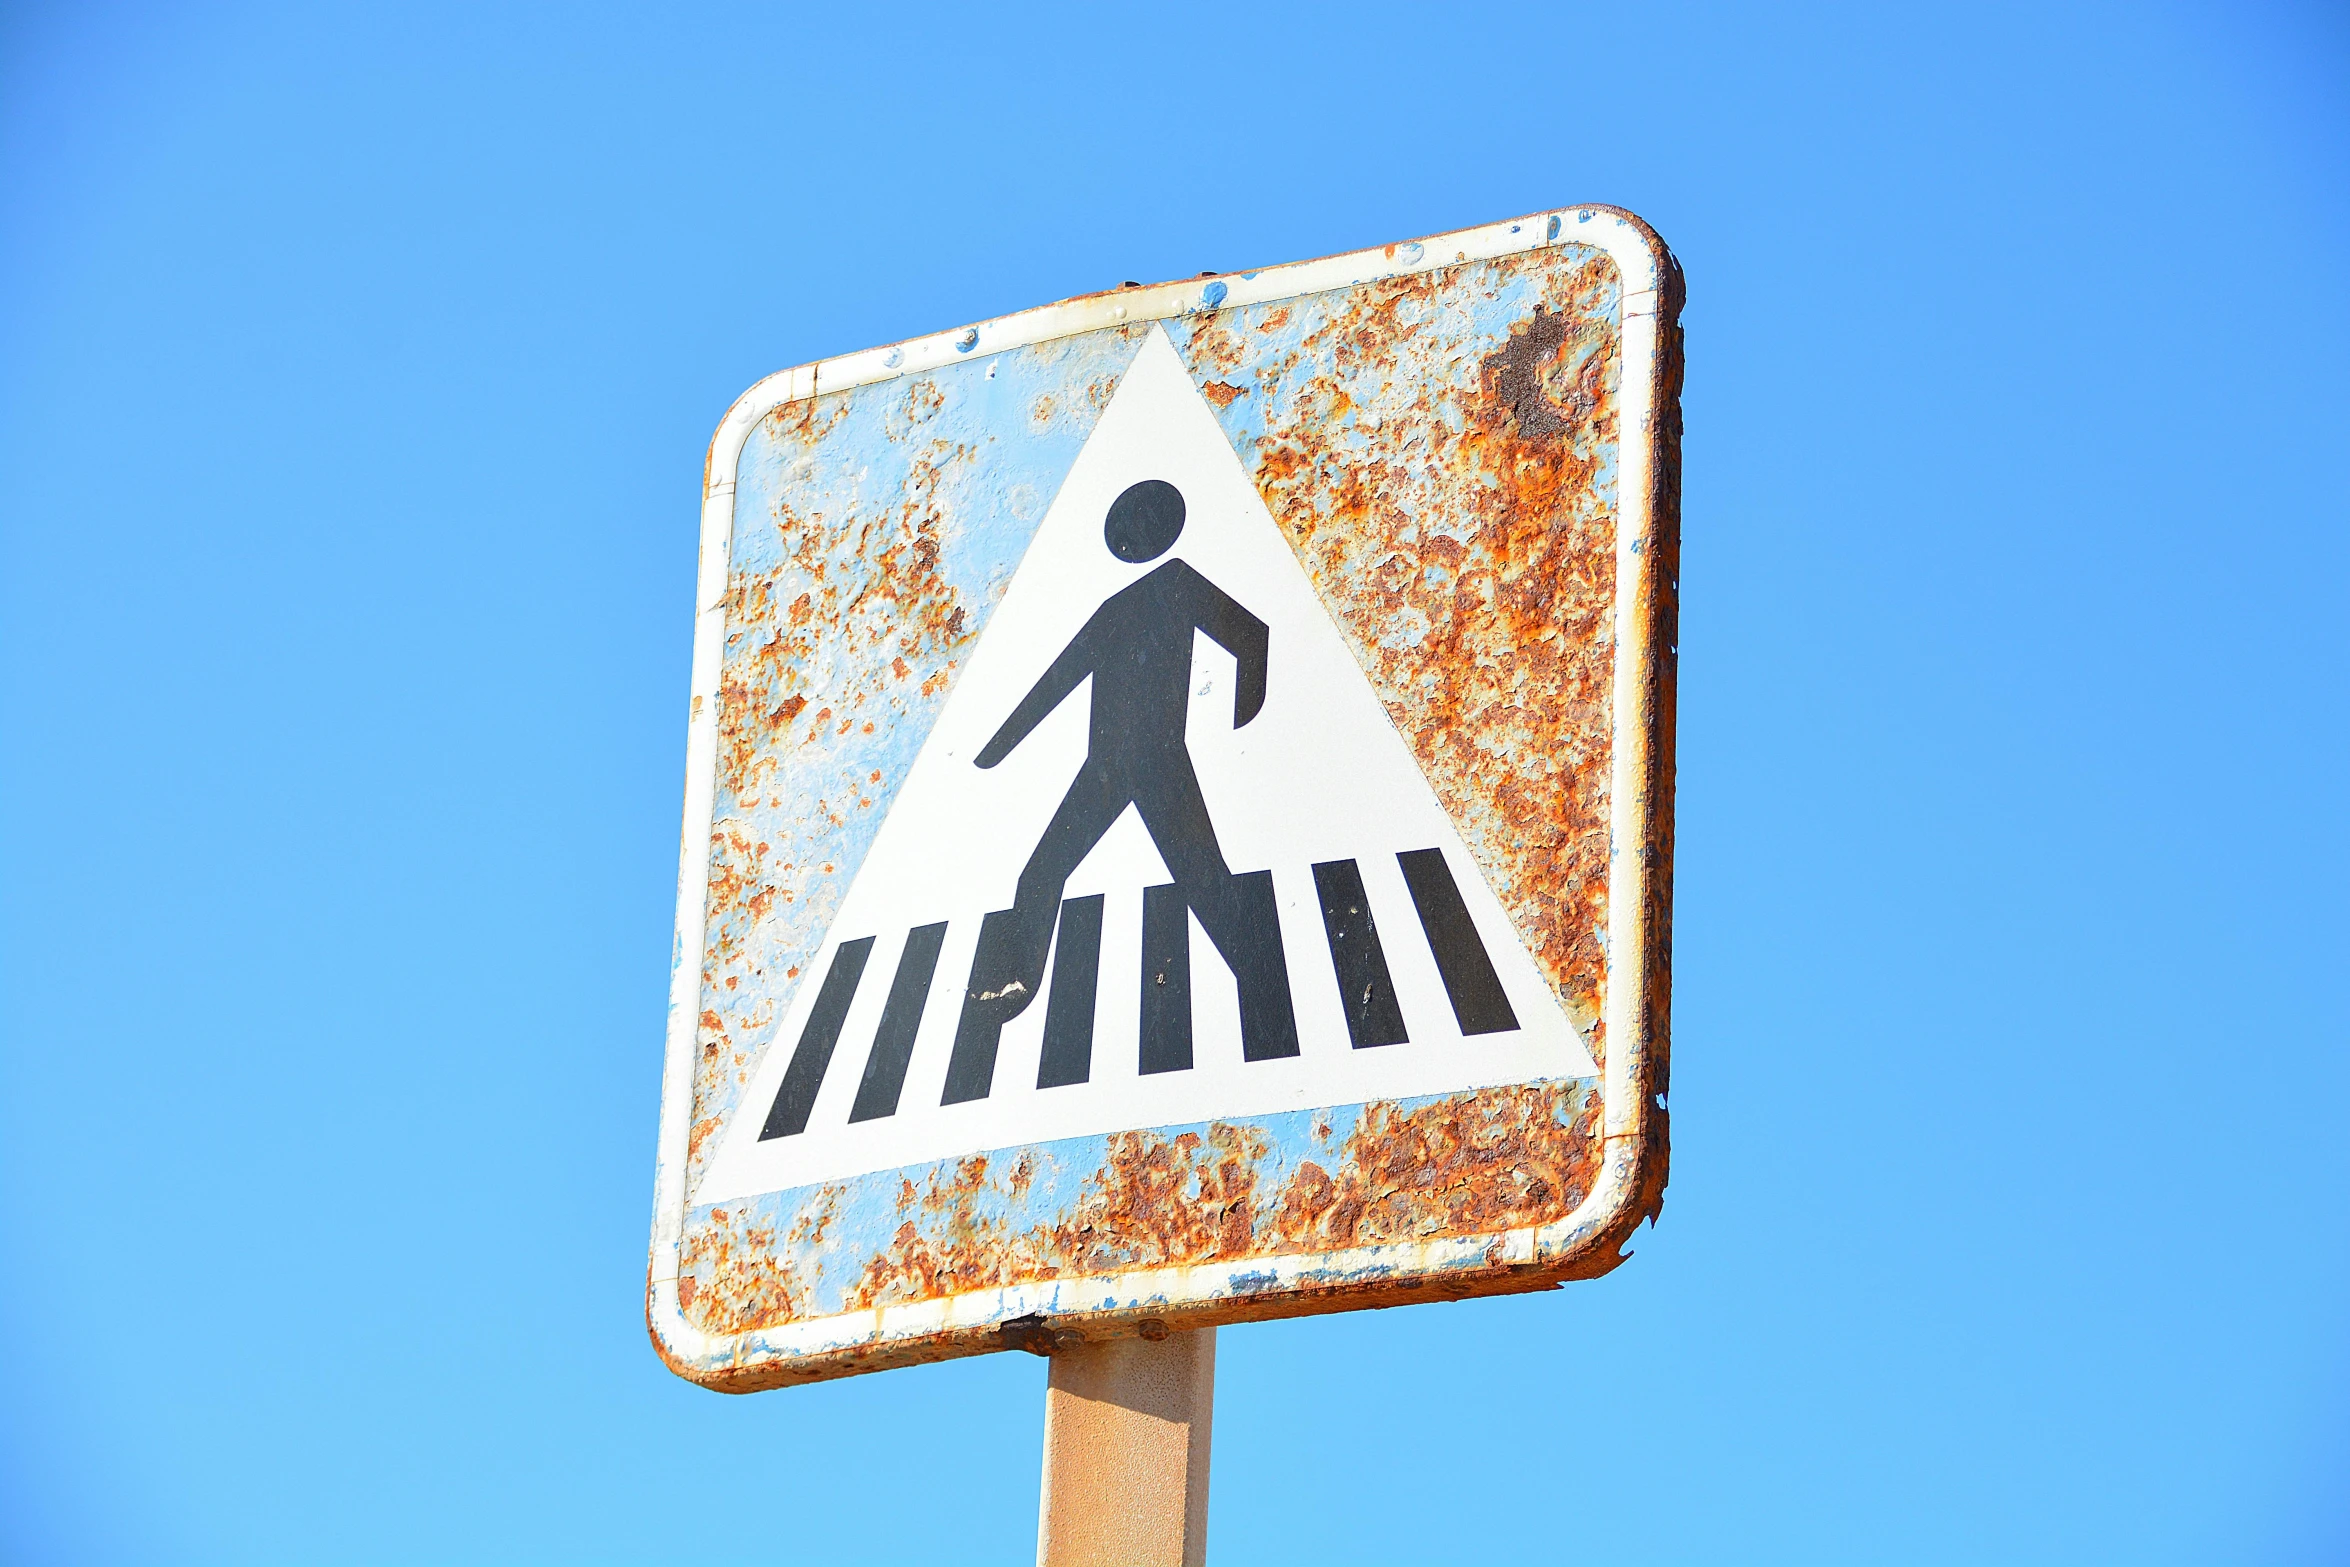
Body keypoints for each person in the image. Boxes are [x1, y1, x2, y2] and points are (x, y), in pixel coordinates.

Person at [942, 479, 1297, 1101]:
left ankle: (1269, 1002)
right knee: (1040, 875)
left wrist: (1245, 708)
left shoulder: (1178, 581)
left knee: (1205, 883)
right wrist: (990, 752)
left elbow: (1251, 635)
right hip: (1103, 768)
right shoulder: (1112, 609)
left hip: (1159, 763)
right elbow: (1055, 683)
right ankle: (1017, 988)